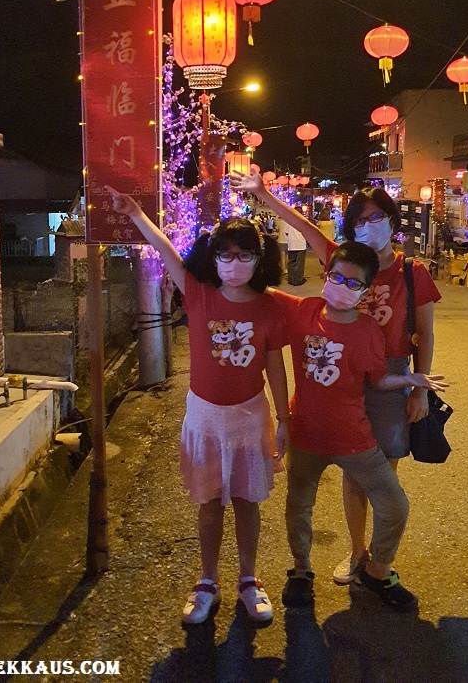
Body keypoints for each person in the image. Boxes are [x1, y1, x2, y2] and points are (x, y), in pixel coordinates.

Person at [229, 171, 441, 586]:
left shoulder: (413, 272)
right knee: (350, 471)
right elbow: (303, 227)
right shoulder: (343, 259)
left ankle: (377, 556)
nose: (368, 225)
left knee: (380, 471)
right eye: (359, 220)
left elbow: (426, 332)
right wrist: (264, 194)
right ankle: (356, 551)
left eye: (377, 216)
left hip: (390, 373)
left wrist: (420, 390)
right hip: (341, 370)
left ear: (393, 220)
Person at [106, 186, 290, 625]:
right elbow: (164, 247)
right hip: (205, 416)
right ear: (214, 258)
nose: (234, 264)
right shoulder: (199, 292)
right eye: (225, 255)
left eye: (245, 255)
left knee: (247, 501)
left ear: (259, 259)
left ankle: (249, 579)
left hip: (250, 416)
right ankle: (207, 580)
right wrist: (133, 211)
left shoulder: (268, 308)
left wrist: (285, 419)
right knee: (209, 503)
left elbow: (275, 366)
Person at [269, 241, 447, 610]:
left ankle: (376, 570)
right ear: (325, 275)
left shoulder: (369, 331)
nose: (342, 286)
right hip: (304, 434)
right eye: (337, 277)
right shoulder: (302, 311)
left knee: (394, 504)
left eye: (354, 283)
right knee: (298, 505)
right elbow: (254, 288)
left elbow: (378, 379)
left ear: (366, 292)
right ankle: (301, 569)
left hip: (354, 437)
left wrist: (412, 380)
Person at [286, 210, 307, 286]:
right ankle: (298, 280)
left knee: (291, 262)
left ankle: (291, 278)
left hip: (291, 244)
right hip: (300, 244)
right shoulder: (303, 221)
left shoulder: (289, 221)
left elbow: (286, 232)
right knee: (299, 263)